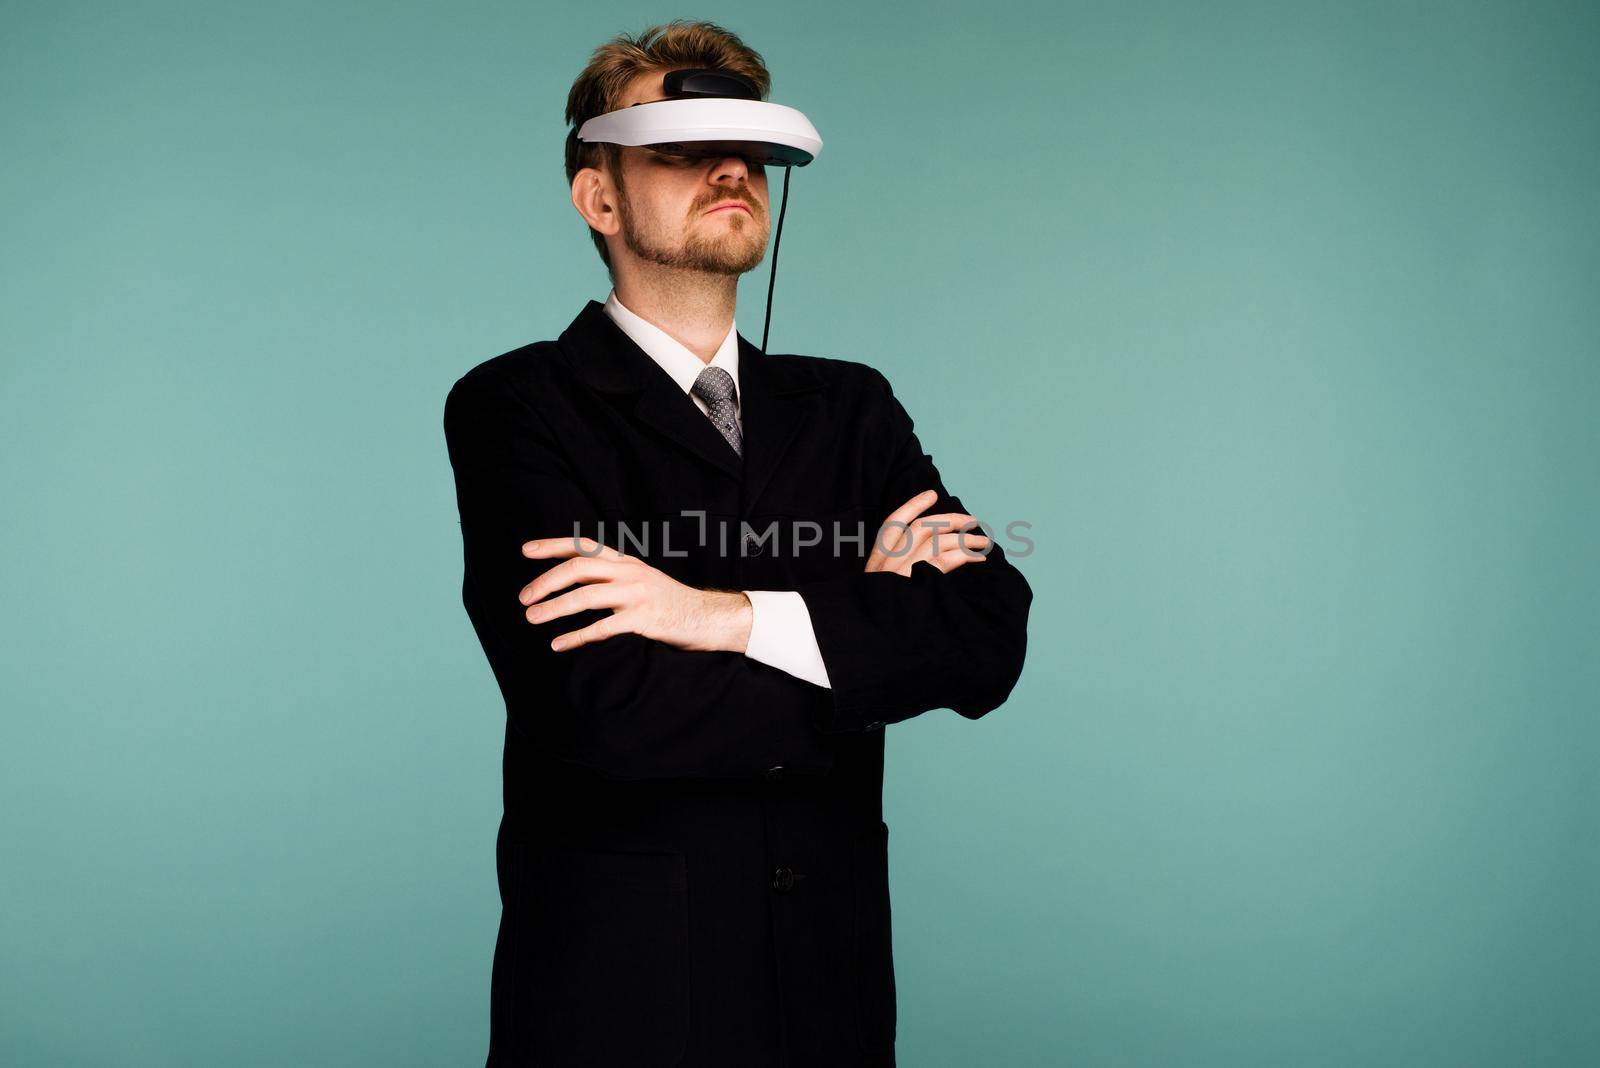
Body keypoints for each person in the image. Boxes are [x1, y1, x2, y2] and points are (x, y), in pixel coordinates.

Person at [442, 19, 1033, 1067]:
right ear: (600, 197)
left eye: (747, 150)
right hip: (618, 992)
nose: (730, 167)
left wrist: (710, 616)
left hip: (828, 983)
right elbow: (600, 709)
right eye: (679, 147)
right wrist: (859, 637)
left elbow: (983, 638)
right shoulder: (517, 404)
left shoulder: (849, 407)